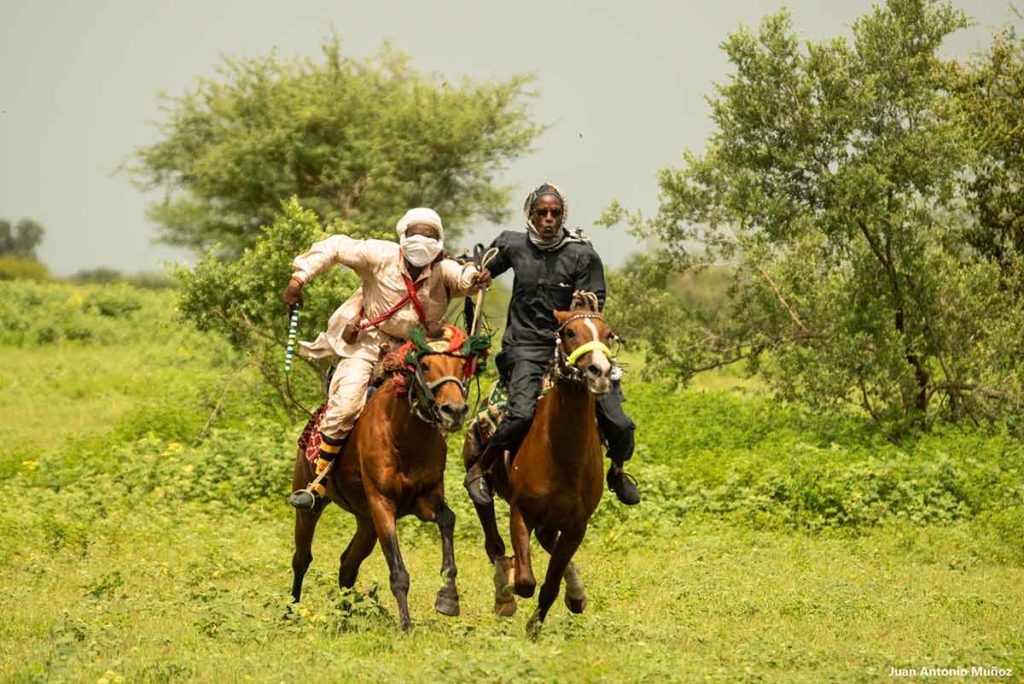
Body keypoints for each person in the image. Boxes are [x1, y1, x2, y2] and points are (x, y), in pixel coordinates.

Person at [283, 207, 482, 510]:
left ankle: (424, 486)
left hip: (415, 351)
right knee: (347, 405)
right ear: (403, 236)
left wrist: (476, 275)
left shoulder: (444, 268)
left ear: (439, 241)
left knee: (440, 405)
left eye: (429, 235)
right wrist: (299, 279)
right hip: (368, 343)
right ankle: (319, 481)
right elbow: (336, 246)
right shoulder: (379, 254)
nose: (421, 240)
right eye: (415, 233)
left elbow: (465, 278)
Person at [464, 183, 640, 506]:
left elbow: (593, 302)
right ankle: (481, 469)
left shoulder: (582, 254)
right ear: (530, 214)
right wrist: (476, 273)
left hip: (575, 348)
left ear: (563, 216)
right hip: (525, 347)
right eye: (541, 212)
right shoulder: (512, 244)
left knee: (619, 422)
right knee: (519, 415)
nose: (548, 218)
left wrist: (580, 305)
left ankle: (616, 472)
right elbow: (482, 267)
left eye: (555, 213)